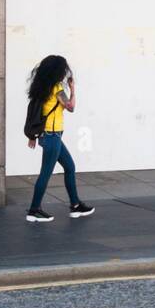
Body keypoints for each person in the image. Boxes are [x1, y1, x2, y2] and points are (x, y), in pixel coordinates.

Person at [25, 55, 94, 223]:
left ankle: (75, 205)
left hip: (50, 136)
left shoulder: (41, 88)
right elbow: (71, 107)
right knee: (45, 173)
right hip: (52, 136)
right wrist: (73, 89)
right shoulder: (56, 89)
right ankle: (34, 210)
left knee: (70, 167)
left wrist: (33, 135)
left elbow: (34, 112)